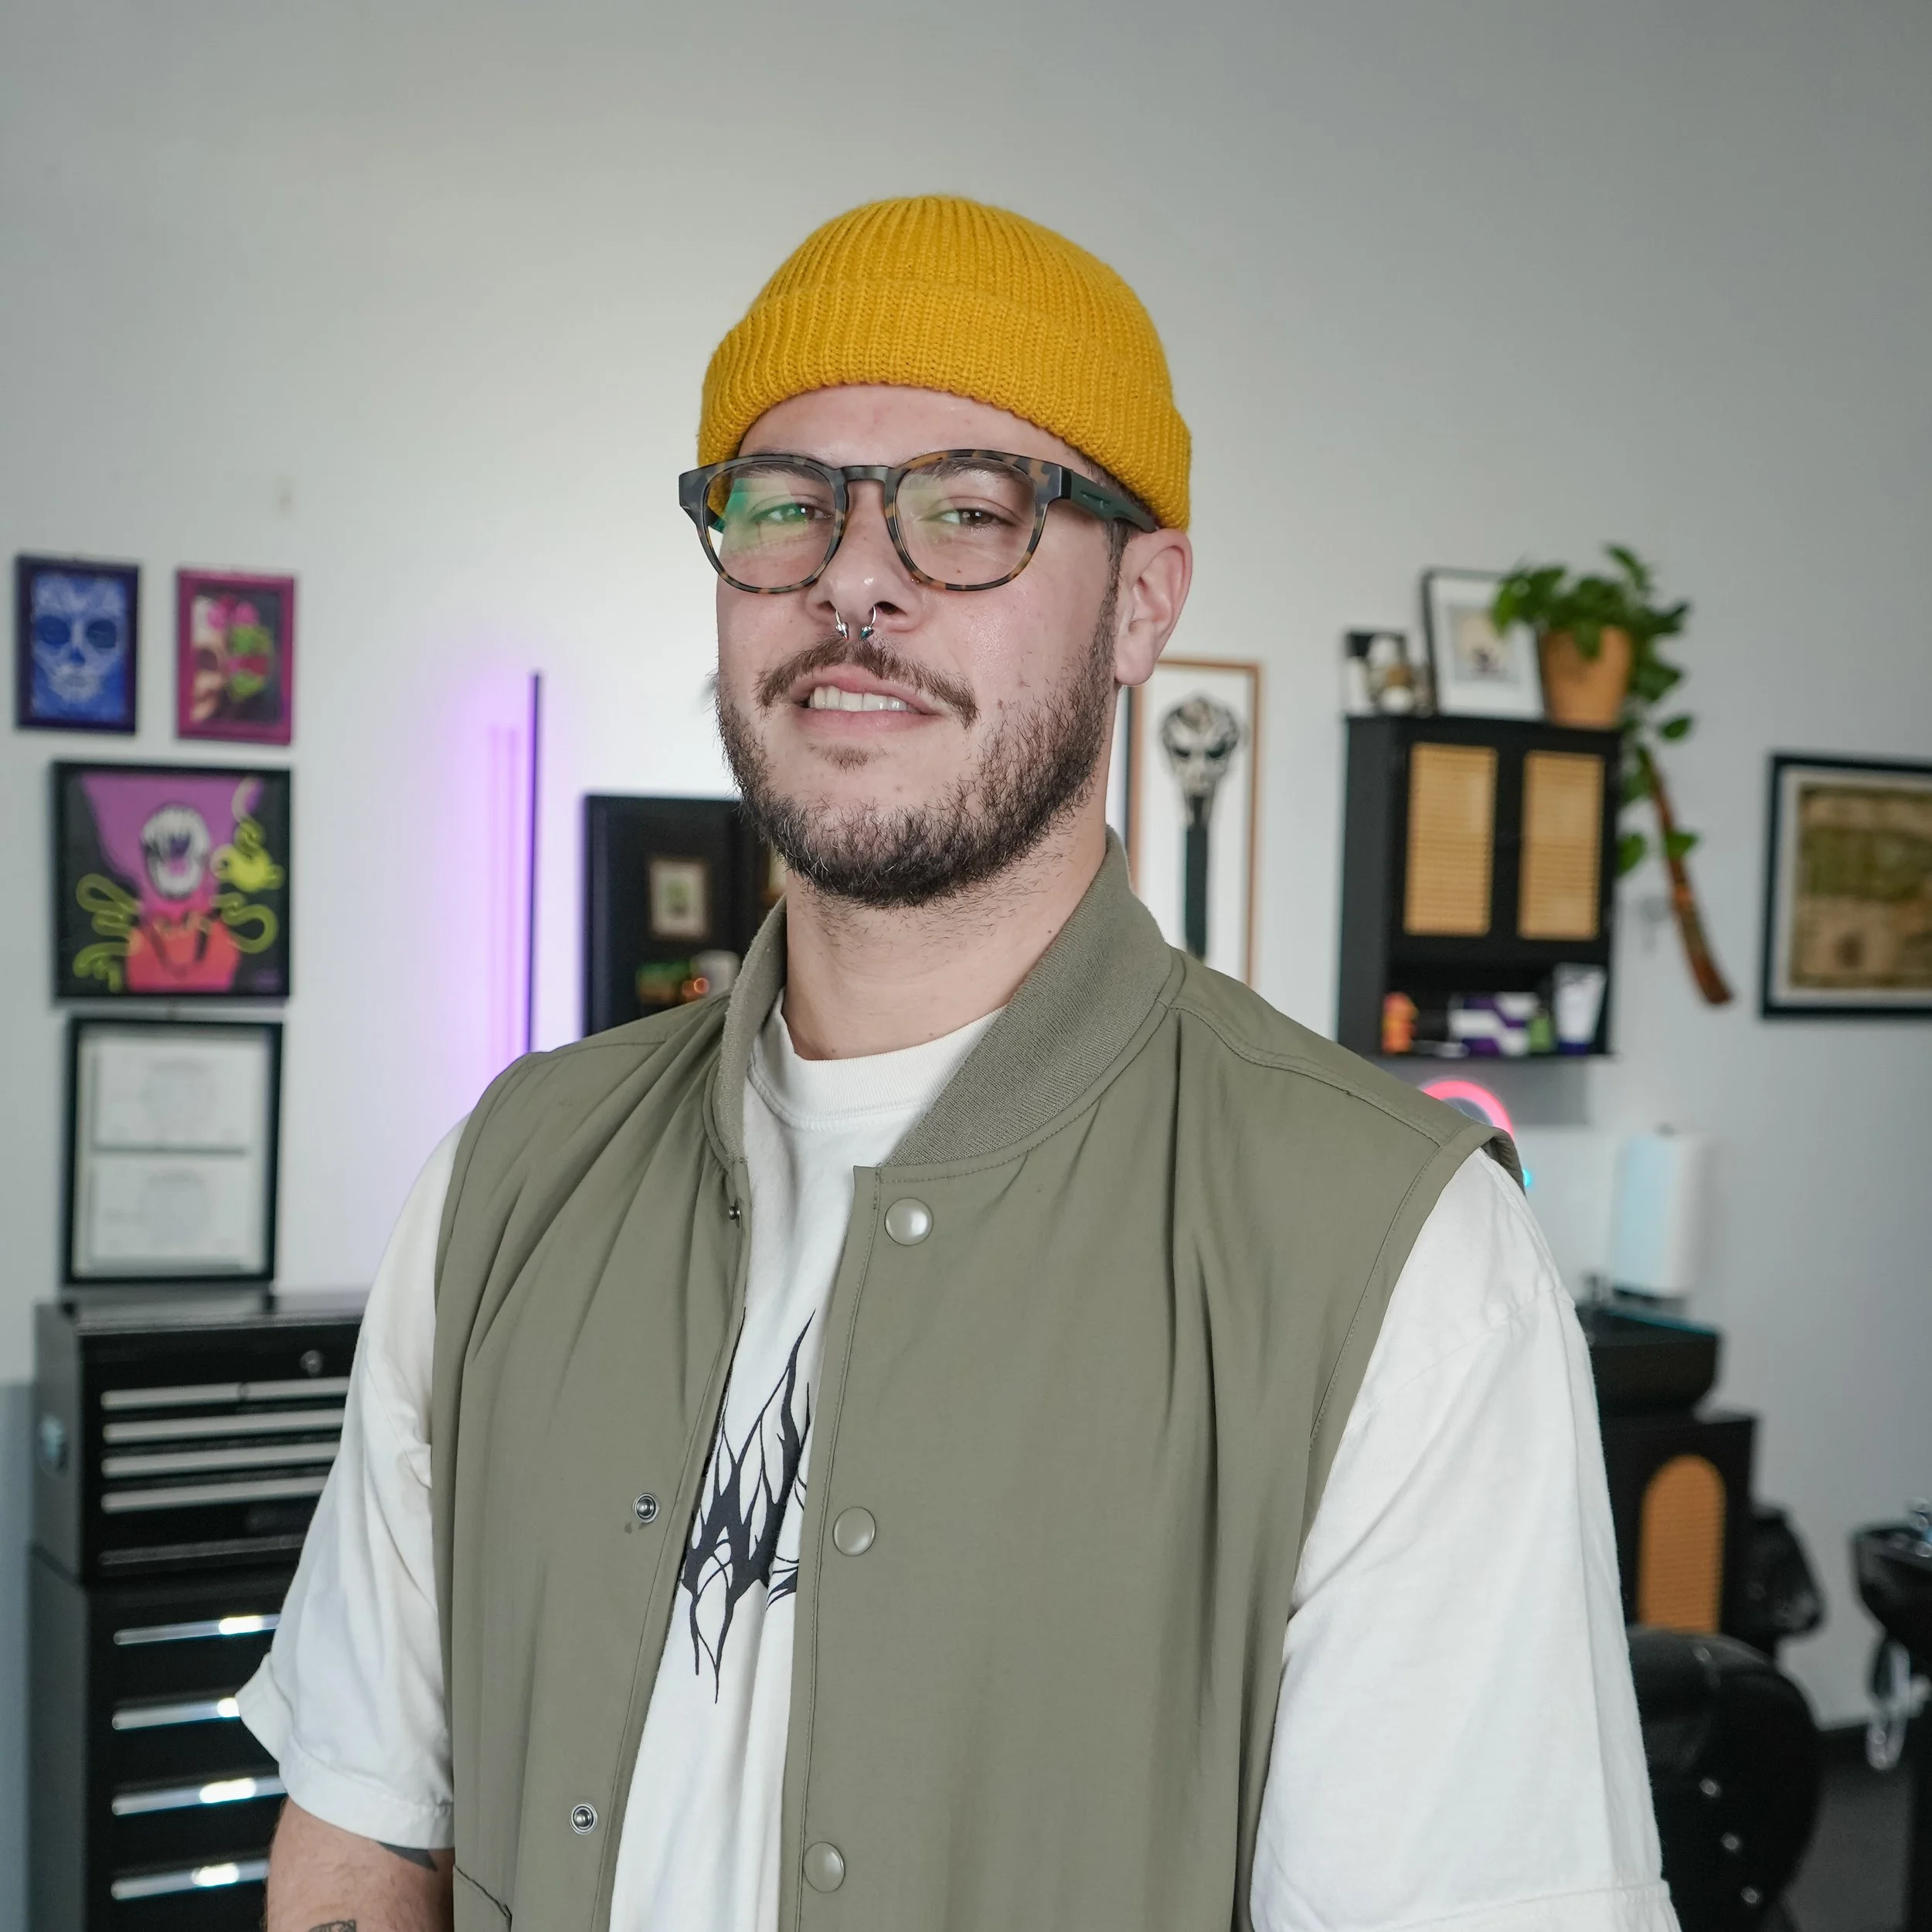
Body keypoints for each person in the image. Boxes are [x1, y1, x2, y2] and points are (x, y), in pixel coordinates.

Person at [244, 195, 1676, 1932]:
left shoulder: (1402, 1267)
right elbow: (365, 1831)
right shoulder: (506, 1175)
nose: (855, 578)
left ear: (1140, 603)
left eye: (968, 511)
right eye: (782, 507)